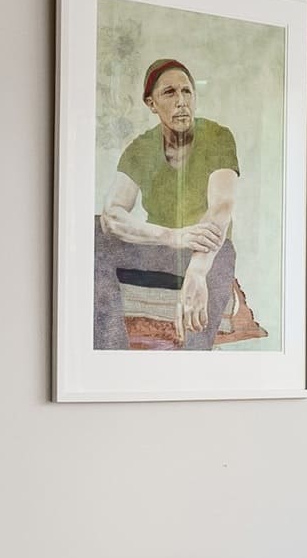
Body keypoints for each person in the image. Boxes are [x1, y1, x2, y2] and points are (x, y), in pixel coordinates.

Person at [96, 58, 249, 350]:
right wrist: (173, 236)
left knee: (195, 331)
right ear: (151, 103)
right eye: (169, 93)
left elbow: (221, 207)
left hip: (210, 249)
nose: (181, 101)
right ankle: (111, 351)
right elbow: (111, 216)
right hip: (162, 247)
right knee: (95, 231)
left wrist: (197, 271)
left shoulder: (217, 136)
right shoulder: (140, 148)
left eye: (187, 91)